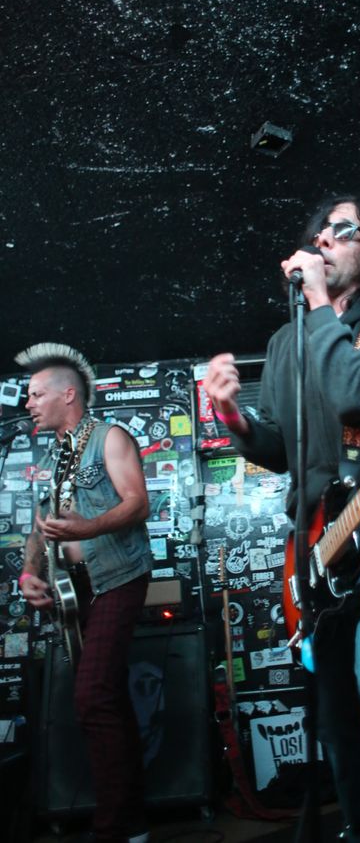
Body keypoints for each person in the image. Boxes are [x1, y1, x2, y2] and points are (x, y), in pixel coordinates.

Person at [204, 194, 360, 841]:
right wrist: (232, 416)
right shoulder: (285, 341)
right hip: (317, 548)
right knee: (339, 717)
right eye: (320, 230)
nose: (323, 238)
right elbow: (280, 447)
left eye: (343, 231)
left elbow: (357, 395)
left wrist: (319, 303)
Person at [16, 343, 153, 843]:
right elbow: (43, 527)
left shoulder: (110, 437)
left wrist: (88, 528)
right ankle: (133, 825)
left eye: (36, 394)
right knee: (107, 699)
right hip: (77, 589)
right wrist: (29, 572)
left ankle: (113, 830)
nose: (28, 403)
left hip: (118, 577)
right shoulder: (55, 456)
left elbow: (138, 503)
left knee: (93, 695)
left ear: (67, 395)